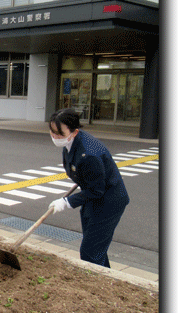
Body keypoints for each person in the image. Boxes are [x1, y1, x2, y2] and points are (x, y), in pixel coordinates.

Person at [47, 108, 129, 268]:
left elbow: (96, 190)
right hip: (92, 199)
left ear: (75, 132)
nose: (55, 137)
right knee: (95, 248)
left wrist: (66, 202)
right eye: (52, 132)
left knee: (90, 251)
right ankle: (107, 278)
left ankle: (100, 285)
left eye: (59, 134)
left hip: (108, 201)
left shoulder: (89, 154)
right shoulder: (71, 143)